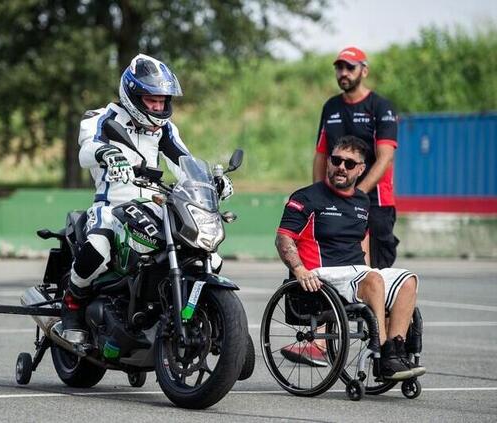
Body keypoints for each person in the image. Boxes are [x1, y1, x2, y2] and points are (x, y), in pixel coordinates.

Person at [61, 54, 234, 344]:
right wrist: (107, 153)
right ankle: (72, 304)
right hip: (111, 206)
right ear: (132, 95)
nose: (158, 106)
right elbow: (86, 150)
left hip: (153, 205)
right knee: (99, 246)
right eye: (151, 99)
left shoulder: (165, 127)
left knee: (208, 255)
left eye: (162, 100)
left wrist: (211, 182)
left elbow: (183, 161)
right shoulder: (102, 118)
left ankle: (198, 316)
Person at [276, 135, 425, 380]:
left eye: (349, 163)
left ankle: (397, 350)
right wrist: (299, 270)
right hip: (321, 275)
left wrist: (369, 273)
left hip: (356, 273)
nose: (341, 167)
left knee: (408, 280)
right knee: (373, 281)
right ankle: (383, 355)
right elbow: (284, 238)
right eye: (336, 160)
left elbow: (363, 244)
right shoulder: (306, 198)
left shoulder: (361, 201)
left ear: (361, 169)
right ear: (329, 162)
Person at [312, 46, 399, 270]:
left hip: (375, 201)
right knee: (338, 264)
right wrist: (318, 194)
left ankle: (380, 305)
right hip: (336, 199)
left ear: (364, 71)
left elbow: (385, 158)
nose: (344, 73)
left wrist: (357, 194)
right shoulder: (331, 107)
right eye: (339, 67)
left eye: (350, 67)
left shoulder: (381, 107)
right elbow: (321, 155)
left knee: (377, 269)